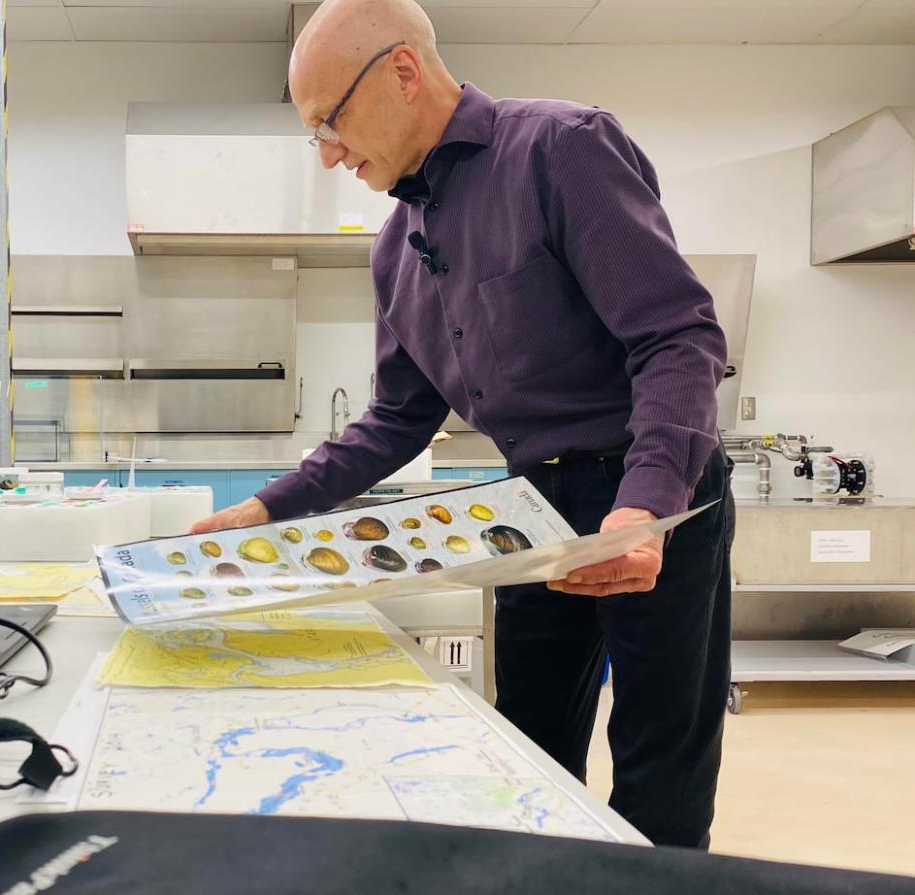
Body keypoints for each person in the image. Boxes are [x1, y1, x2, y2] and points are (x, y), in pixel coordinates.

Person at [190, 0, 734, 849]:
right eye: (316, 135)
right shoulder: (393, 249)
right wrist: (267, 509)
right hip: (532, 510)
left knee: (661, 759)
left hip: (650, 491)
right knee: (529, 742)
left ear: (403, 71)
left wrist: (646, 505)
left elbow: (678, 336)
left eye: (330, 121)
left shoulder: (562, 148)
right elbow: (397, 417)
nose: (329, 153)